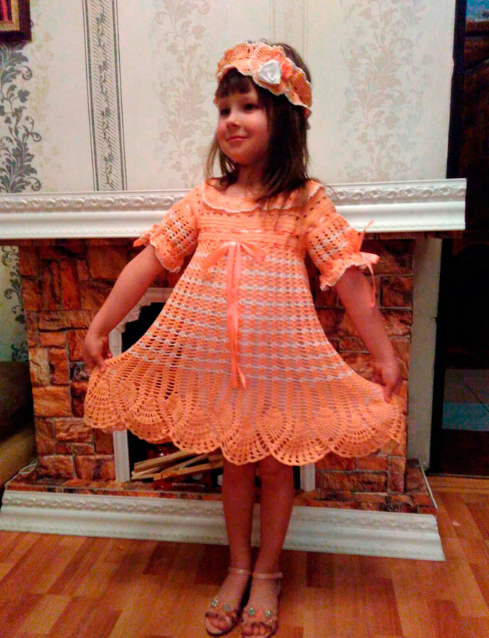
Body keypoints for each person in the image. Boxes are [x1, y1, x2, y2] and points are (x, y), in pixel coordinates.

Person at [83, 41, 404, 638]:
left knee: (276, 472)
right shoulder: (205, 200)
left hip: (278, 368)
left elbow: (349, 280)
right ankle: (236, 566)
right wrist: (102, 323)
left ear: (284, 118)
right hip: (219, 367)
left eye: (248, 106)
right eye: (224, 108)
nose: (231, 119)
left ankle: (268, 573)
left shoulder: (304, 202)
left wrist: (384, 354)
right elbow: (149, 262)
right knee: (233, 468)